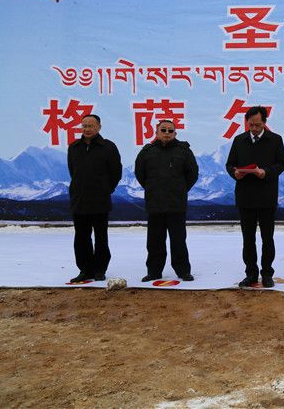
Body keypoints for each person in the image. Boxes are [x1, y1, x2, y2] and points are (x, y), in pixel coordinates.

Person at [225, 106, 284, 288]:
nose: (253, 128)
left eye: (257, 125)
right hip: (245, 196)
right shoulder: (239, 140)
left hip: (267, 195)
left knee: (267, 238)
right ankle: (251, 274)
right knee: (248, 239)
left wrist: (266, 172)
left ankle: (267, 273)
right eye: (250, 125)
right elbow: (230, 164)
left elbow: (282, 163)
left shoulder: (275, 140)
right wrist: (235, 173)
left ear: (264, 123)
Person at [135, 120, 198, 282]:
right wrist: (152, 189)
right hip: (154, 203)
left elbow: (192, 174)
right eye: (163, 130)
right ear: (156, 132)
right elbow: (140, 174)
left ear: (175, 133)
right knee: (154, 241)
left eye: (170, 130)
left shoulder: (184, 151)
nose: (167, 133)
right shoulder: (147, 152)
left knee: (178, 240)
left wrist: (180, 190)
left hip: (176, 203)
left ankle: (183, 271)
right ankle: (154, 272)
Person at [67, 114, 122, 283]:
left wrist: (105, 189)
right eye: (84, 126)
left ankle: (99, 269)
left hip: (100, 200)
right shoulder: (74, 147)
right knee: (81, 237)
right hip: (79, 200)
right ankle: (85, 270)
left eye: (91, 126)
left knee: (100, 237)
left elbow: (116, 172)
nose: (87, 129)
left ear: (99, 127)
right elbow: (73, 171)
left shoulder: (108, 147)